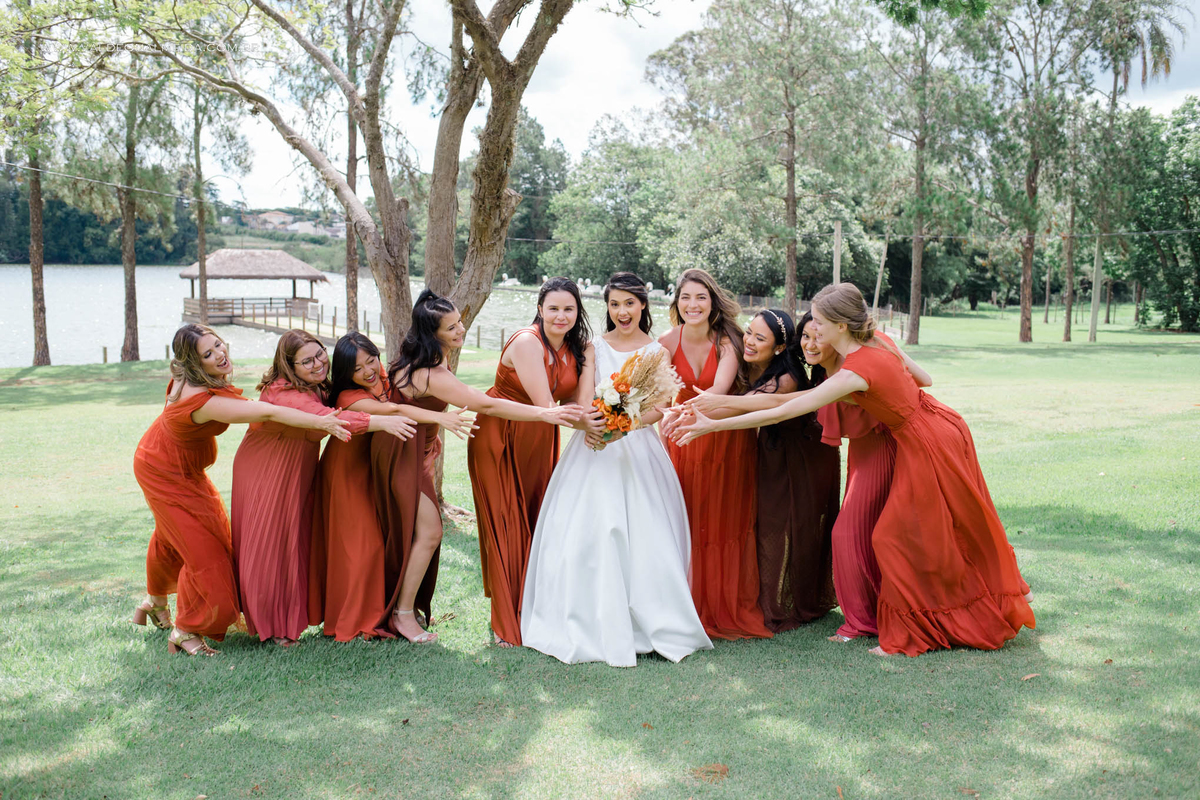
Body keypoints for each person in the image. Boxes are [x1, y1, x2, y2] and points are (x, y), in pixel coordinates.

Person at [672, 283, 1035, 657]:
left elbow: (784, 410)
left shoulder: (854, 371)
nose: (812, 330)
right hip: (938, 422)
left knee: (904, 535)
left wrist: (711, 424)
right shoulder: (876, 342)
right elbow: (924, 380)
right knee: (941, 524)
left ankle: (913, 629)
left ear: (841, 326)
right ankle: (929, 609)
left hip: (924, 440)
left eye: (821, 324)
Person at [521, 272, 714, 667]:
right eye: (614, 304)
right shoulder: (593, 347)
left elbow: (663, 404)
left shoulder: (657, 351)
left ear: (643, 305)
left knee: (647, 532)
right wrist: (601, 422)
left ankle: (651, 621)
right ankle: (587, 620)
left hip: (639, 447)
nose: (622, 311)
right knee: (592, 529)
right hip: (593, 443)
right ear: (607, 308)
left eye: (629, 303)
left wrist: (629, 424)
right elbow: (584, 394)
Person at [374, 290, 582, 645]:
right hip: (400, 455)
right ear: (432, 332)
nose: (461, 330)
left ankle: (401, 609)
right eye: (451, 327)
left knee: (418, 533)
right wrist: (545, 413)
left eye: (460, 322)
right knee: (429, 533)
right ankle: (402, 615)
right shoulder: (430, 371)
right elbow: (486, 403)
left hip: (415, 451)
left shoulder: (431, 361)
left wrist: (434, 431)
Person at [132, 324, 350, 657]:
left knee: (172, 534)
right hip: (163, 470)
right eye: (208, 353)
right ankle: (186, 630)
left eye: (218, 344)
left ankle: (154, 601)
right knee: (207, 553)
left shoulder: (189, 379)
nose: (220, 353)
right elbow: (266, 410)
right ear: (193, 363)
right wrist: (322, 421)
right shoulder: (203, 400)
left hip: (177, 463)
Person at [231, 329, 415, 647]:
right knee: (270, 546)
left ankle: (289, 618)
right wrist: (382, 422)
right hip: (266, 471)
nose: (318, 364)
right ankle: (271, 628)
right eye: (307, 361)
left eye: (319, 354)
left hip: (298, 469)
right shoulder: (284, 393)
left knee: (295, 544)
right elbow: (328, 418)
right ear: (289, 366)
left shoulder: (315, 385)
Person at [309, 332, 476, 642]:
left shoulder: (387, 378)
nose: (368, 370)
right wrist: (444, 417)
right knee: (363, 547)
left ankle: (389, 611)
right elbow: (395, 412)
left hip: (379, 469)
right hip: (347, 473)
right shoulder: (349, 396)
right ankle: (356, 620)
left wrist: (429, 437)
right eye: (357, 368)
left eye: (371, 359)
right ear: (347, 373)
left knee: (383, 542)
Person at [467, 278, 603, 647]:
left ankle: (532, 607)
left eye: (569, 309)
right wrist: (588, 422)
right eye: (554, 308)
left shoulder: (577, 348)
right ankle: (504, 622)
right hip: (501, 433)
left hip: (541, 437)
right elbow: (547, 407)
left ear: (578, 312)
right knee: (505, 521)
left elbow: (581, 401)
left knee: (534, 518)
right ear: (540, 309)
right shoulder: (528, 342)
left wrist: (604, 407)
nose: (561, 316)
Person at [660, 269, 772, 640]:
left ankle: (722, 604)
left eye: (701, 297)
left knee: (724, 519)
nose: (693, 305)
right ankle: (684, 604)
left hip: (723, 434)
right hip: (682, 438)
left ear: (713, 302)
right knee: (688, 518)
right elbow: (657, 396)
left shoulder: (729, 340)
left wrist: (680, 413)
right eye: (686, 297)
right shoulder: (664, 342)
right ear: (677, 302)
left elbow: (719, 391)